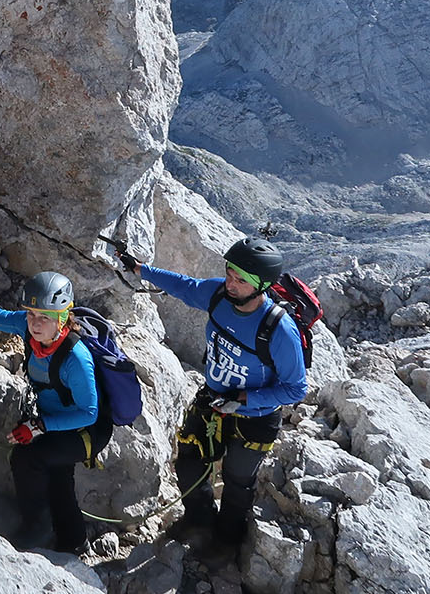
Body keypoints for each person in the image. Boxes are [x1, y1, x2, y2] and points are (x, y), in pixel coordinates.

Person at [117, 236, 307, 551]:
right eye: (229, 273)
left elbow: (296, 387)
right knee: (190, 461)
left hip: (255, 417)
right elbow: (185, 287)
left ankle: (227, 541)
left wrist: (244, 399)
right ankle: (200, 521)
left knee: (237, 480)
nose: (230, 283)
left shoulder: (278, 329)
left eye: (240, 280)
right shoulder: (220, 295)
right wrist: (140, 268)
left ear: (260, 285)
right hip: (215, 400)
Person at [0, 269, 111, 553]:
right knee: (59, 476)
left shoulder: (76, 358)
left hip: (86, 431)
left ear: (62, 319)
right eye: (31, 314)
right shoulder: (29, 331)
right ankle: (73, 541)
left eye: (45, 318)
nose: (36, 323)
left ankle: (36, 529)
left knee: (28, 458)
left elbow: (89, 412)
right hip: (58, 422)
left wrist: (38, 427)